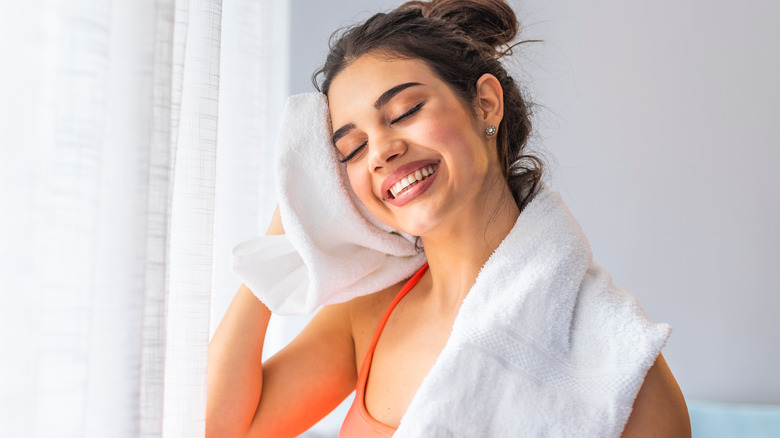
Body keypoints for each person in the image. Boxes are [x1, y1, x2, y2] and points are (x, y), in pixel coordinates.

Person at [206, 1, 690, 436]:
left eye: (406, 110)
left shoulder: (621, 366)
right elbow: (225, 429)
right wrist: (290, 224)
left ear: (485, 103)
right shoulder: (369, 311)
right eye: (352, 149)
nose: (381, 152)